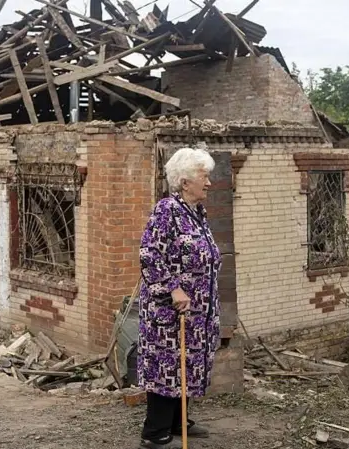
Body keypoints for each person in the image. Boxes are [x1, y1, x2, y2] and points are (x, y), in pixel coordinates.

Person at [136, 147, 222, 449]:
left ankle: (178, 421)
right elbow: (149, 254)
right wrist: (173, 288)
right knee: (167, 365)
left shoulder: (196, 212)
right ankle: (154, 432)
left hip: (196, 312)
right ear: (185, 182)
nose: (208, 183)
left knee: (186, 364)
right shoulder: (167, 211)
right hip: (169, 311)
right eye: (204, 177)